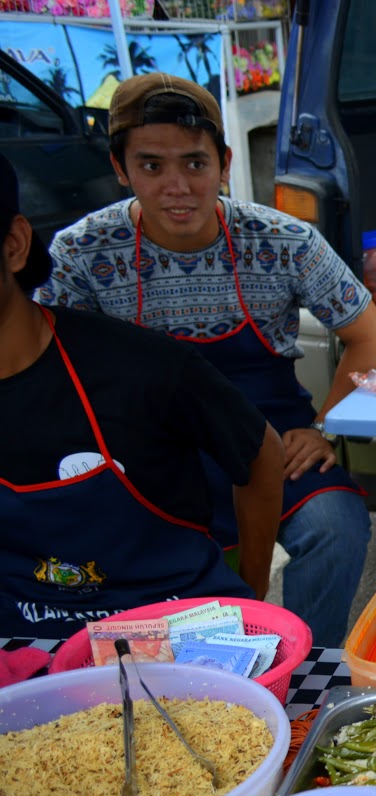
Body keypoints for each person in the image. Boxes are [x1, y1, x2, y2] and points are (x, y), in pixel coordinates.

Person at [37, 73, 376, 646]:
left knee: (336, 529)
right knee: (166, 581)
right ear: (121, 169)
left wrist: (324, 426)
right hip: (149, 456)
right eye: (152, 166)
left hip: (272, 438)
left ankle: (306, 669)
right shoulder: (81, 252)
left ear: (224, 163)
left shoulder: (282, 241)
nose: (178, 186)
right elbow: (52, 364)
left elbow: (369, 335)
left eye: (195, 164)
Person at [0, 152, 284, 638]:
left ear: (14, 245)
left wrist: (250, 600)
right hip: (23, 647)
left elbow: (262, 453)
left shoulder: (139, 367)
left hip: (179, 637)